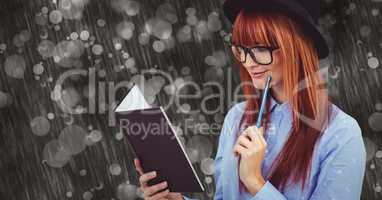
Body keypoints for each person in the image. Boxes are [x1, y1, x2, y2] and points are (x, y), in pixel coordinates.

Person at [134, 0, 367, 199]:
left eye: (260, 48)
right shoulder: (237, 117)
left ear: (295, 48)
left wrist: (255, 181)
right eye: (241, 49)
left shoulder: (341, 134)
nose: (248, 61)